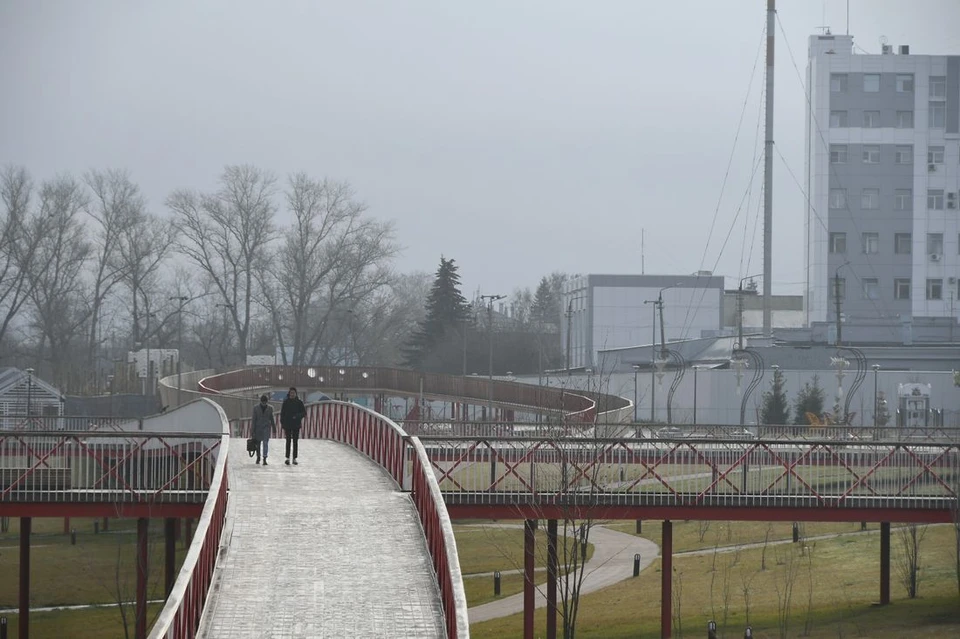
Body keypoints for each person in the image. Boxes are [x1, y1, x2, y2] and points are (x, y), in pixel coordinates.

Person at [280, 387, 306, 465]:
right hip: (287, 424)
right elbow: (282, 413)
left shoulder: (299, 402)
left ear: (296, 394)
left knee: (295, 441)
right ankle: (287, 458)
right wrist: (282, 423)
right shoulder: (286, 402)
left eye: (294, 393)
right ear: (289, 393)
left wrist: (298, 416)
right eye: (291, 393)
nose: (292, 394)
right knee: (288, 441)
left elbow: (304, 413)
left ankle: (294, 458)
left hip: (296, 424)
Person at [251, 394, 274, 465]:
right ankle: (258, 457)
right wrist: (252, 430)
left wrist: (274, 427)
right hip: (258, 428)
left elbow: (272, 418)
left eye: (265, 402)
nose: (264, 403)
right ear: (260, 401)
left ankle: (264, 458)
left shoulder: (270, 408)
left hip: (266, 428)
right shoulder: (255, 408)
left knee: (265, 443)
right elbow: (254, 420)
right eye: (263, 402)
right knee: (258, 444)